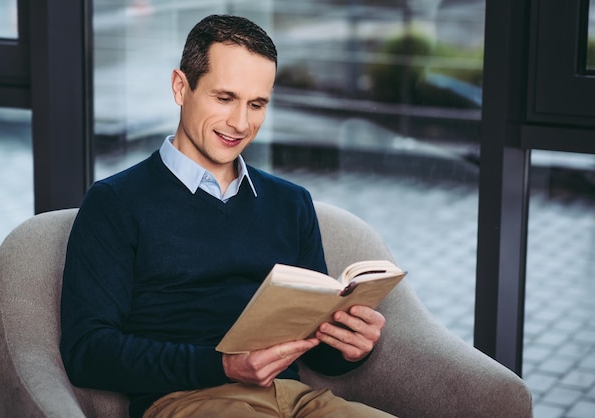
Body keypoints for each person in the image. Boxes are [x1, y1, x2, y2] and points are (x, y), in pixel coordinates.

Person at [60, 14, 395, 418]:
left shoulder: (291, 203)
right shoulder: (115, 203)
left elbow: (318, 354)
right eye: (225, 98)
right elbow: (87, 352)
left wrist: (349, 348)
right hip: (188, 401)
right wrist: (223, 366)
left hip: (300, 401)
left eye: (257, 104)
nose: (240, 123)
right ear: (181, 87)